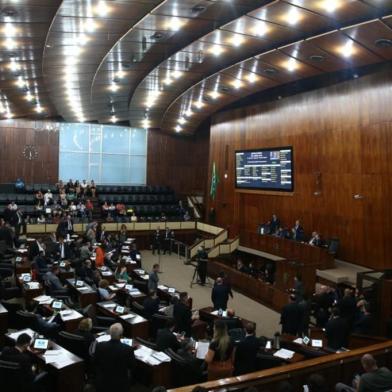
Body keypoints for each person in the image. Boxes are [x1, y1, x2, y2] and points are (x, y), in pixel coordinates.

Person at [94, 323, 135, 392]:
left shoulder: (100, 346)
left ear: (110, 334)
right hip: (120, 384)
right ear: (121, 335)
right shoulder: (128, 349)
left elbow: (95, 362)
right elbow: (132, 366)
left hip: (103, 380)